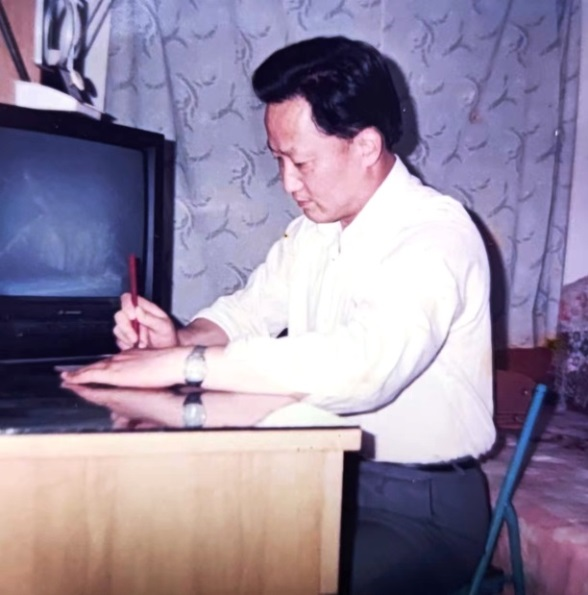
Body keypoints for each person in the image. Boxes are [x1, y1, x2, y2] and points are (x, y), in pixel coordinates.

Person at [62, 36, 496, 594]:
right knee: (167, 549)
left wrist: (185, 364)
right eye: (278, 160)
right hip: (320, 473)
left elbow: (365, 368)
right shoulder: (315, 232)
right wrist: (178, 338)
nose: (288, 183)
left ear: (366, 145)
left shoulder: (435, 234)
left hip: (421, 509)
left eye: (301, 162)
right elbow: (245, 313)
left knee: (259, 581)